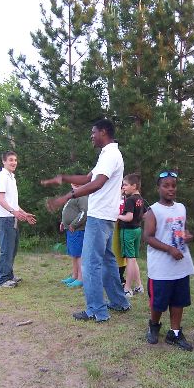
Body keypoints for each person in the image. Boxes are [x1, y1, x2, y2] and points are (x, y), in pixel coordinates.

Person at [42, 118, 131, 322]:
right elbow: (88, 178)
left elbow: (97, 183)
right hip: (105, 216)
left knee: (90, 264)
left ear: (103, 132)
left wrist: (67, 196)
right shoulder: (107, 155)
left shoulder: (111, 155)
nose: (91, 136)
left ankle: (96, 310)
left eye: (93, 132)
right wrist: (64, 178)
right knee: (108, 261)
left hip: (99, 217)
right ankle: (119, 302)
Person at [143, 171, 194, 351]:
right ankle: (154, 325)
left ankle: (175, 333)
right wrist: (170, 249)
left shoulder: (181, 208)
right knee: (158, 302)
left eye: (173, 185)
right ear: (158, 188)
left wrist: (187, 235)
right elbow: (148, 237)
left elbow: (180, 229)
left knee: (179, 301)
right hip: (161, 267)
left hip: (181, 265)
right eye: (166, 186)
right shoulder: (153, 211)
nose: (171, 189)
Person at [0, 150, 37, 288]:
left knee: (12, 249)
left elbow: (13, 203)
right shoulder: (2, 177)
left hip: (12, 217)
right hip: (5, 218)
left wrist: (24, 214)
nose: (14, 163)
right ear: (4, 161)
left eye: (15, 160)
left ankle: (9, 275)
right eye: (11, 160)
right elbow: (1, 200)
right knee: (6, 249)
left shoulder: (12, 177)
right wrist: (14, 212)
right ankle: (2, 280)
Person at [117, 173, 145, 297]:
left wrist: (118, 216)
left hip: (128, 231)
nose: (123, 187)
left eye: (125, 185)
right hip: (137, 230)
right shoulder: (140, 199)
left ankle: (127, 289)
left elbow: (128, 217)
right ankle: (139, 286)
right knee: (133, 259)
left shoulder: (130, 200)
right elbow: (145, 214)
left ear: (134, 186)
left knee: (130, 260)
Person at [60, 183, 88, 288]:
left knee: (79, 254)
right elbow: (70, 211)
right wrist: (63, 222)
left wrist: (74, 224)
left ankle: (81, 278)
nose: (74, 184)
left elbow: (84, 212)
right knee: (74, 254)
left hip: (78, 230)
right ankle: (74, 276)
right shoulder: (73, 195)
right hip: (70, 230)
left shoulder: (82, 195)